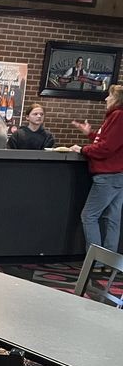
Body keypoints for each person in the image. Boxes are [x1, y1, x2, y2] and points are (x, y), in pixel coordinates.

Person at [69, 84, 123, 252]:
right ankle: (108, 263)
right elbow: (109, 141)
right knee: (112, 218)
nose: (106, 99)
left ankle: (96, 261)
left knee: (89, 216)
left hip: (108, 175)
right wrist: (90, 134)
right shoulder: (116, 117)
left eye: (110, 96)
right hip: (117, 174)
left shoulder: (118, 116)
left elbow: (107, 147)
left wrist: (83, 149)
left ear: (117, 100)